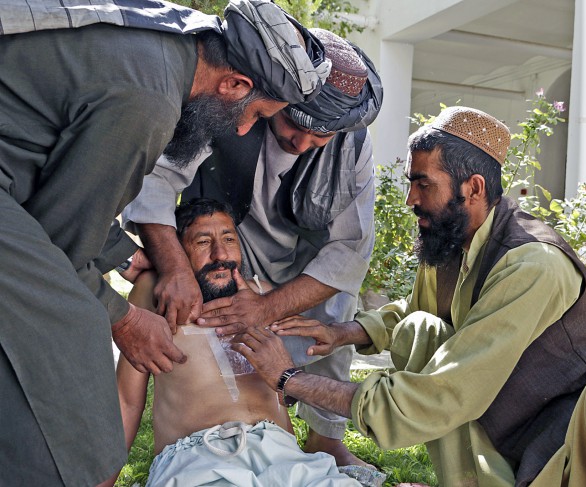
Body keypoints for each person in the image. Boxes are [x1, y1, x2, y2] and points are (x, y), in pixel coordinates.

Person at [233, 107, 586, 487]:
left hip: (585, 452)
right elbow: (414, 313)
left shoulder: (532, 264)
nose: (410, 200)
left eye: (423, 184)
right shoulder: (452, 241)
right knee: (424, 331)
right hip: (514, 450)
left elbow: (440, 395)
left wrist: (291, 378)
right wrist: (343, 333)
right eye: (410, 183)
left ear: (473, 187)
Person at [0, 0, 329, 484]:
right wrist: (125, 318)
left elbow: (49, 185)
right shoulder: (148, 102)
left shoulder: (164, 35)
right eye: (255, 114)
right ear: (235, 85)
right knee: (72, 344)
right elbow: (60, 243)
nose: (241, 129)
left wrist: (121, 252)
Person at [120, 27, 383, 466]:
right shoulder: (232, 109)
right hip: (228, 242)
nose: (300, 144)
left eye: (318, 138)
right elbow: (158, 181)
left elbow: (349, 249)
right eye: (292, 123)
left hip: (304, 260)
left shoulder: (352, 145)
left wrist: (267, 308)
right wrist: (174, 264)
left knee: (337, 303)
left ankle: (325, 439)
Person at [105, 199, 383, 486]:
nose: (220, 254)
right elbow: (126, 401)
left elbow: (318, 344)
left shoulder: (263, 297)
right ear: (176, 251)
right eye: (202, 242)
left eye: (228, 239)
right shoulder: (155, 296)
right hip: (200, 458)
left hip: (283, 458)